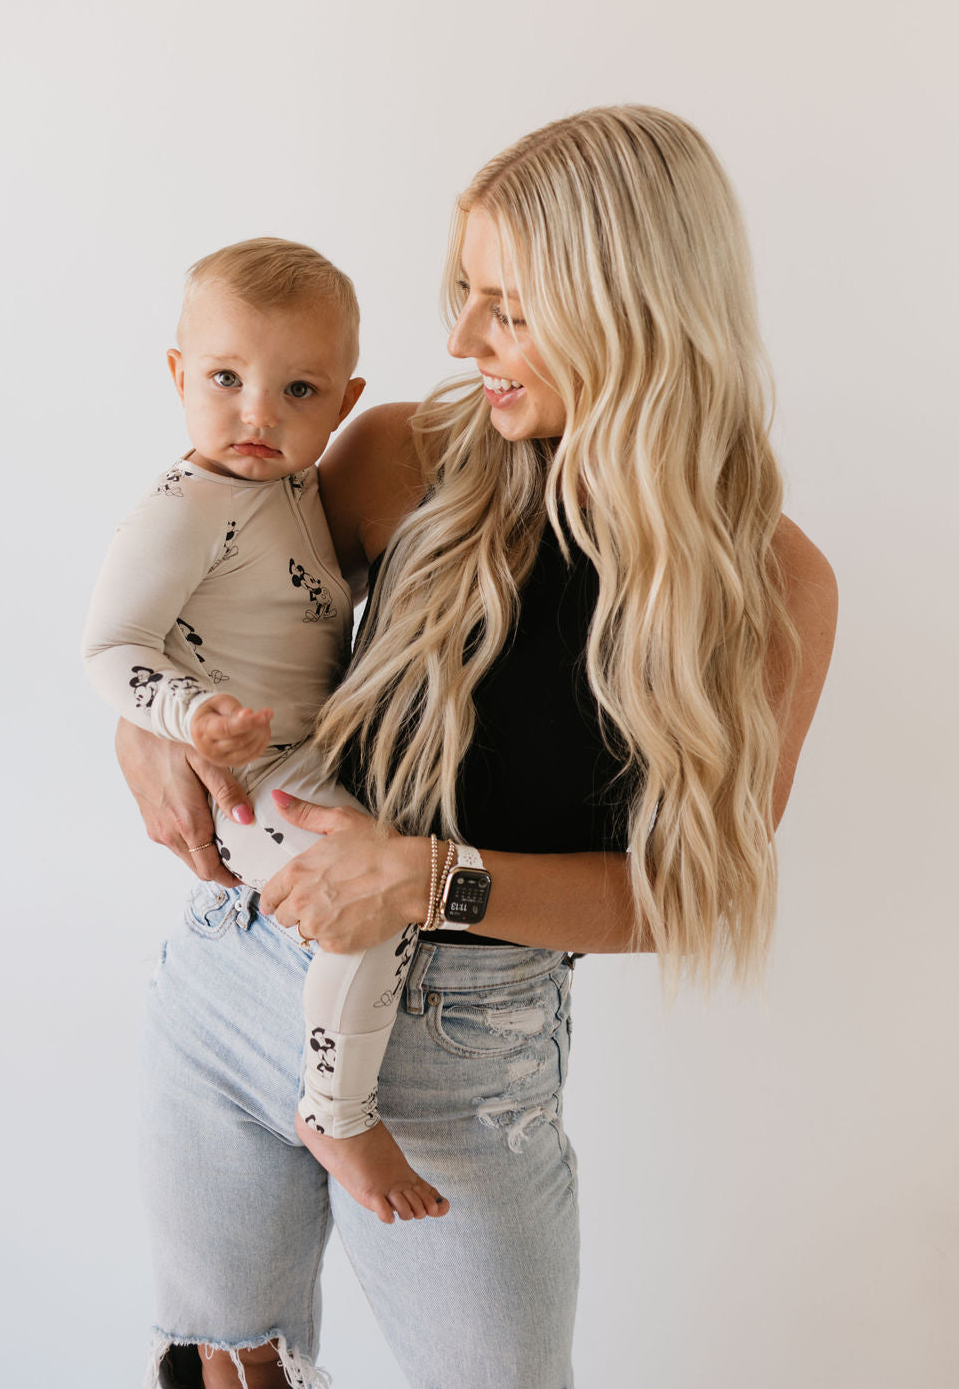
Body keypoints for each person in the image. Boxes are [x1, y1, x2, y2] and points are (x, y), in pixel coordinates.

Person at [117, 105, 838, 1389]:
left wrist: (428, 874)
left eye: (506, 304)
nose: (460, 339)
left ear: (631, 303)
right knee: (223, 1363)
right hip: (238, 975)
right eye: (464, 293)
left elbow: (689, 893)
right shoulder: (401, 452)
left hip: (465, 1058)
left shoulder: (767, 585)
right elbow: (227, 601)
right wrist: (147, 722)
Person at [84, 237, 448, 1227]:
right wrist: (183, 716)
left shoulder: (291, 495)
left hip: (315, 755)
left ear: (343, 398)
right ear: (176, 375)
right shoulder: (186, 508)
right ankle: (336, 1108)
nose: (258, 413)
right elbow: (111, 646)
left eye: (297, 389)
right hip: (254, 777)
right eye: (226, 379)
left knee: (381, 887)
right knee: (367, 915)